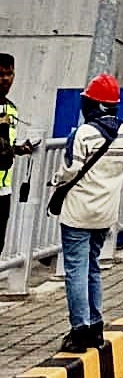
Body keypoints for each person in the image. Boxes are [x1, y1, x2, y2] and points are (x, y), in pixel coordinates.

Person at [55, 73, 123, 352]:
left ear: (93, 104)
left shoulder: (83, 134)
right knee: (93, 268)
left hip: (78, 213)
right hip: (105, 213)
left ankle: (79, 331)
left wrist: (56, 180)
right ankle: (96, 326)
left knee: (75, 270)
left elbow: (69, 171)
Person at [0, 53, 36, 255]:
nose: (5, 79)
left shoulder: (11, 109)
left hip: (3, 188)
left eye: (9, 74)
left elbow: (5, 149)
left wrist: (18, 148)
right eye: (0, 74)